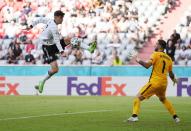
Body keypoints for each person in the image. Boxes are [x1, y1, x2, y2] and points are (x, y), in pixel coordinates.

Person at [125, 39, 180, 123]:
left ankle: (134, 116)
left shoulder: (156, 54)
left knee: (137, 98)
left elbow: (147, 65)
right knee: (163, 99)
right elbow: (171, 73)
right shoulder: (169, 59)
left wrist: (137, 59)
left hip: (155, 82)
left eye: (157, 44)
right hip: (163, 83)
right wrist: (174, 80)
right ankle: (176, 117)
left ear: (160, 46)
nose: (155, 45)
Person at [28, 10, 66, 93]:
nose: (62, 19)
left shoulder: (50, 21)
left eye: (62, 17)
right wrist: (62, 52)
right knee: (55, 69)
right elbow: (57, 40)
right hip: (47, 47)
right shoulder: (53, 27)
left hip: (51, 44)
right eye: (61, 17)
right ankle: (42, 81)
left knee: (68, 39)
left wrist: (31, 25)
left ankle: (88, 48)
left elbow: (39, 19)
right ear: (56, 17)